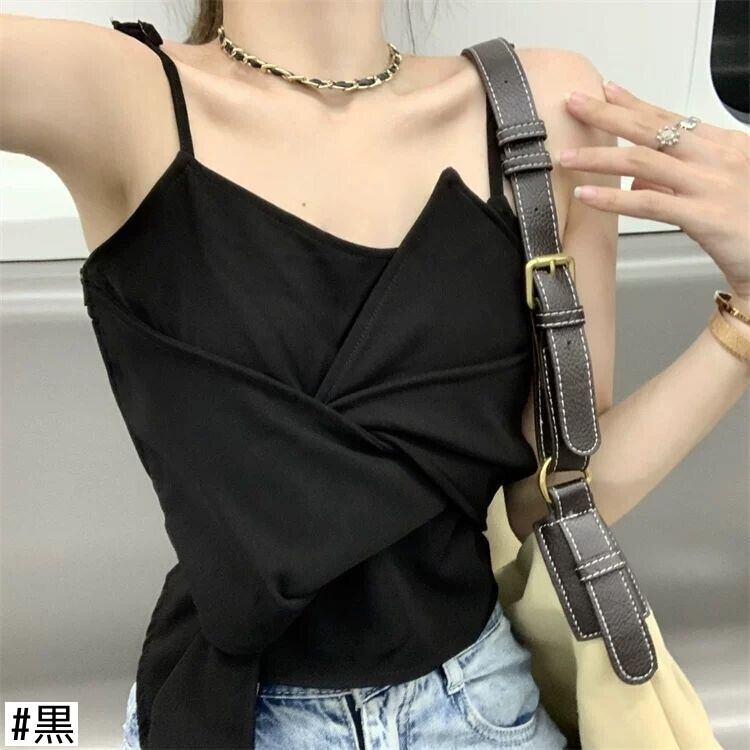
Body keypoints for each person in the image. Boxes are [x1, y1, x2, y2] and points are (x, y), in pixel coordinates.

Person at [1, 2, 748, 749]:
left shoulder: (541, 106)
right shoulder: (118, 96)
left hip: (481, 710)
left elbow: (554, 494)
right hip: (235, 718)